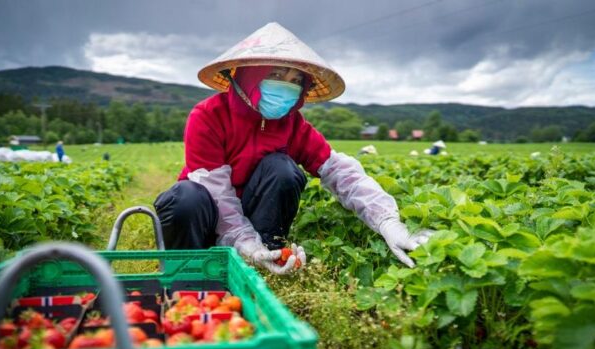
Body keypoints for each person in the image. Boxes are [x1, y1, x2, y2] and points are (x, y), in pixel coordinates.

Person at [154, 22, 434, 275]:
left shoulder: (294, 126)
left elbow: (340, 172)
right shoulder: (208, 116)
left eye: (296, 80)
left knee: (283, 169)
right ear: (249, 75)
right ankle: (185, 272)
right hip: (205, 218)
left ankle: (268, 258)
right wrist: (245, 245)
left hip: (255, 227)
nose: (287, 86)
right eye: (276, 74)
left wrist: (387, 222)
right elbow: (217, 195)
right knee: (185, 196)